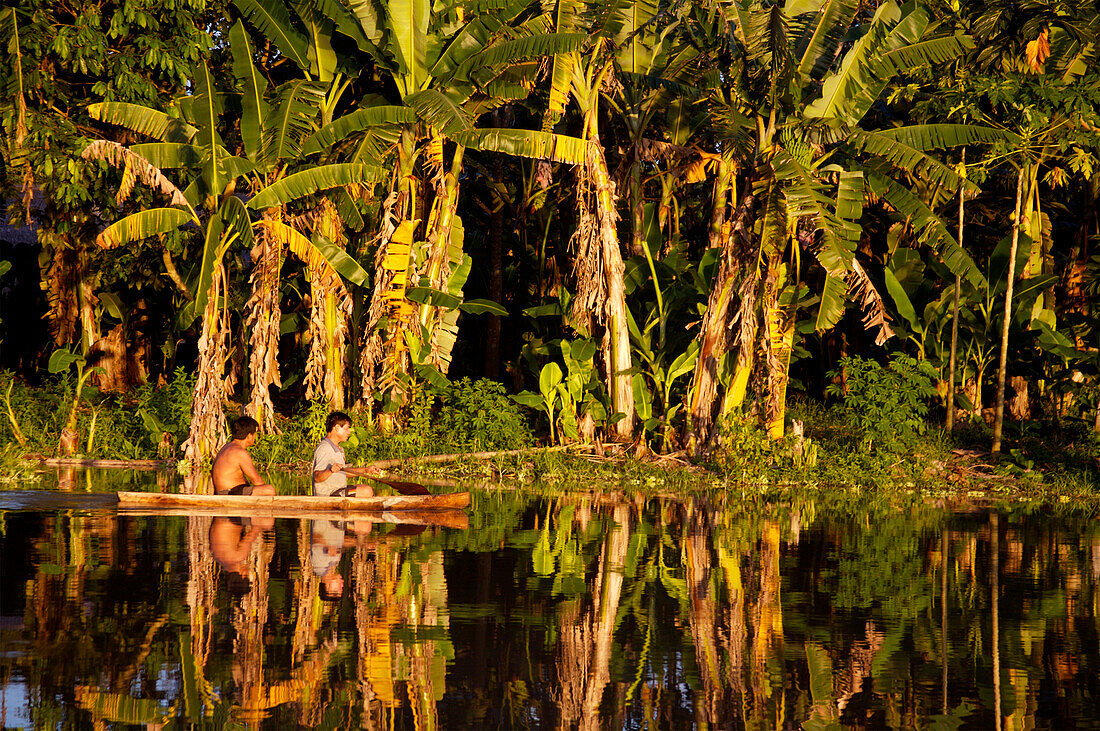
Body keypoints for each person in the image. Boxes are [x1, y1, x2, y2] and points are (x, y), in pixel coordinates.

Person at [312, 411, 379, 497]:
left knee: (364, 487)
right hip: (329, 495)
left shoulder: (339, 449)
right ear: (336, 428)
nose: (349, 432)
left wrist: (366, 470)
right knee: (367, 491)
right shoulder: (324, 448)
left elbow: (343, 473)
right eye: (346, 429)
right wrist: (330, 470)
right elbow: (317, 477)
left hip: (339, 491)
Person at [211, 416, 276, 496]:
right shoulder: (240, 452)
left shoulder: (226, 447)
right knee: (269, 490)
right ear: (249, 436)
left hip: (226, 492)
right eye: (255, 434)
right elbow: (257, 481)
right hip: (229, 493)